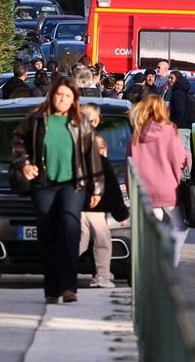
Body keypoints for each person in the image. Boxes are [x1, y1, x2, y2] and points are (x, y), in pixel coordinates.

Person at [11, 76, 105, 304]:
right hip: (44, 183)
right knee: (48, 233)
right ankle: (51, 289)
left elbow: (91, 156)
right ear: (52, 95)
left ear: (74, 100)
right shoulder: (36, 119)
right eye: (59, 94)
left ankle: (69, 287)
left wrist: (97, 188)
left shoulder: (80, 122)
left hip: (73, 184)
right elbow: (18, 141)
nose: (62, 99)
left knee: (70, 229)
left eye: (68, 96)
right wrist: (24, 163)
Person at [128, 95, 190, 266]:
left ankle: (151, 262)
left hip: (143, 189)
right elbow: (181, 158)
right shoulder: (170, 130)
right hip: (167, 188)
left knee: (152, 228)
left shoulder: (136, 134)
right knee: (180, 226)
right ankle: (171, 261)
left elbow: (129, 164)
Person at [78, 104, 117, 289]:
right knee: (102, 241)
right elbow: (107, 180)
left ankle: (61, 270)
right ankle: (101, 276)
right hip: (94, 205)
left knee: (79, 240)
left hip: (75, 202)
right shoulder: (92, 143)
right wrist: (122, 213)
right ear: (95, 120)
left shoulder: (73, 139)